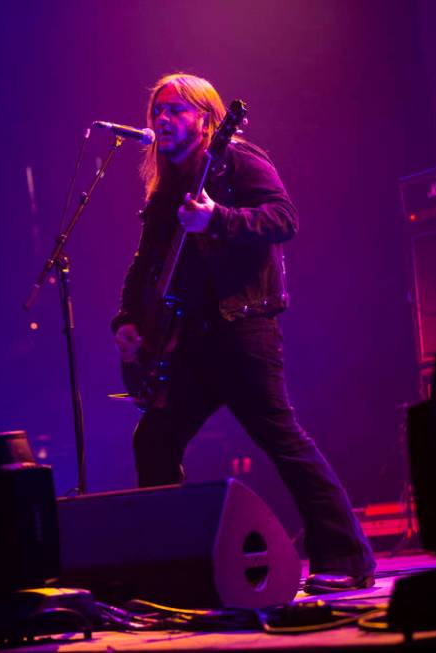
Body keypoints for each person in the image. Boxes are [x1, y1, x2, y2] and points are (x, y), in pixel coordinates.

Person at [112, 73, 376, 593]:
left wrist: (218, 219)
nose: (162, 120)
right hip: (190, 339)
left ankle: (346, 556)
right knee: (155, 439)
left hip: (242, 326)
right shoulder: (166, 186)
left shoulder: (237, 158)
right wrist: (124, 320)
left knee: (281, 438)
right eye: (157, 112)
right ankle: (175, 570)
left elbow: (283, 219)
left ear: (206, 118)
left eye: (176, 110)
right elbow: (145, 264)